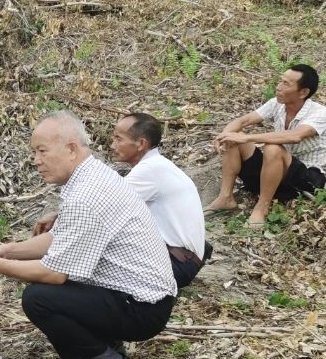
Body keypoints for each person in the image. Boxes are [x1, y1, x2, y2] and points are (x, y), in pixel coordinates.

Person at [0, 112, 177, 359]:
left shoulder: (86, 196)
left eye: (42, 151)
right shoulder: (89, 177)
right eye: (34, 152)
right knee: (52, 287)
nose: (36, 160)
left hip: (142, 307)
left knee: (39, 298)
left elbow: (55, 273)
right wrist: (5, 251)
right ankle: (107, 345)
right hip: (142, 297)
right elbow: (59, 239)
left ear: (71, 149)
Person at [35, 113, 210, 288]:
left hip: (177, 264)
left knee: (86, 264)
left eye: (119, 139)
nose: (112, 145)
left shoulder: (149, 170)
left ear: (141, 144)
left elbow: (100, 203)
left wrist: (57, 217)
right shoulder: (159, 165)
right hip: (186, 257)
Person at [206, 64, 326, 229]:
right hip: (273, 173)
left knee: (272, 147)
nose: (278, 87)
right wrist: (223, 135)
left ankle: (262, 208)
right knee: (233, 138)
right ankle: (225, 197)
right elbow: (243, 121)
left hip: (304, 180)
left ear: (303, 92)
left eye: (286, 84)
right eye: (280, 81)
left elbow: (295, 136)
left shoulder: (319, 112)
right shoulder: (277, 104)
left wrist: (247, 137)